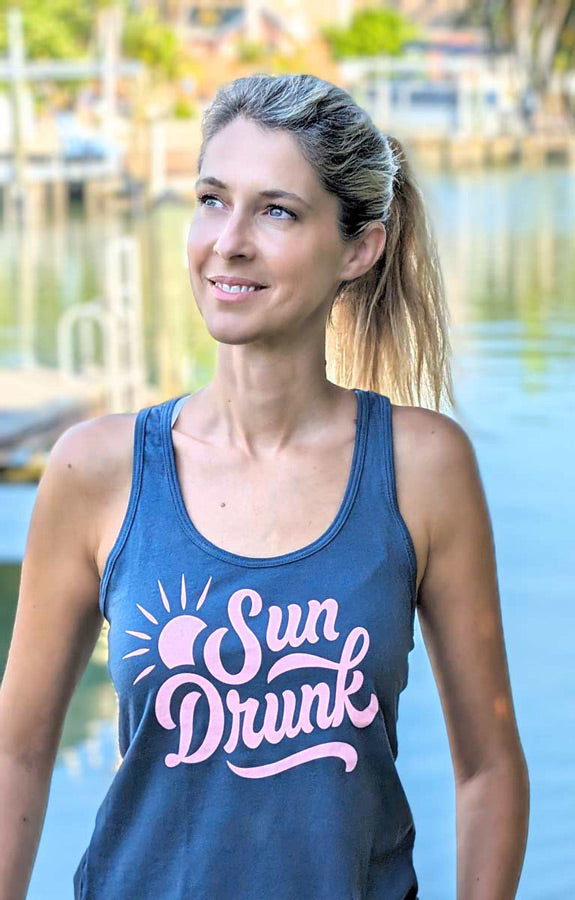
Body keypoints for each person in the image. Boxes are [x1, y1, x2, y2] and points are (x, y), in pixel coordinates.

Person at [0, 73, 529, 899]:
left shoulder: (423, 470)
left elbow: (490, 766)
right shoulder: (93, 470)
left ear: (360, 247)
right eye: (213, 198)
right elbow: (18, 754)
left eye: (276, 210)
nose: (229, 241)